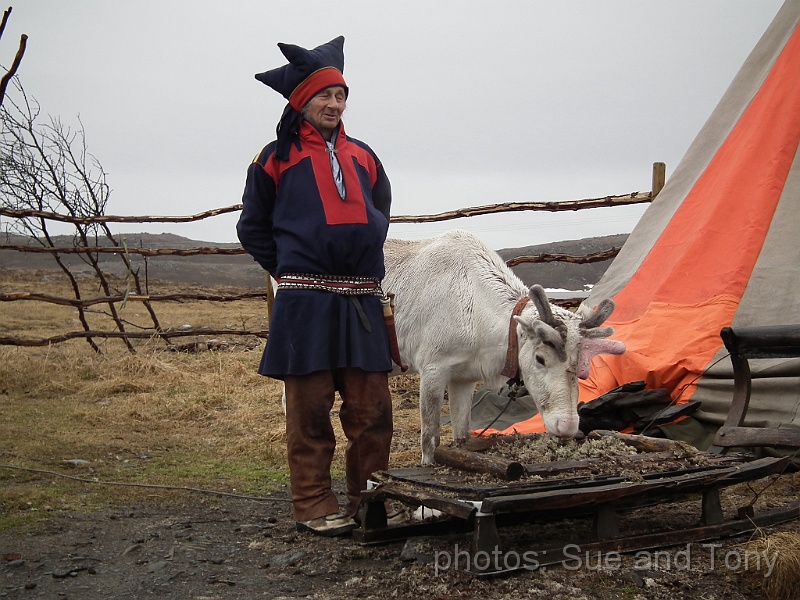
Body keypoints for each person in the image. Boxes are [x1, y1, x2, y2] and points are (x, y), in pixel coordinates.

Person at [236, 36, 395, 537]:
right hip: (305, 301)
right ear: (301, 102)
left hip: (362, 299)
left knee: (372, 411)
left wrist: (363, 252)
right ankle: (312, 503)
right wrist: (289, 270)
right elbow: (252, 226)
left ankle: (368, 502)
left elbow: (381, 213)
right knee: (310, 410)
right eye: (323, 96)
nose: (333, 104)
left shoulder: (366, 157)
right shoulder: (274, 158)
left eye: (340, 96)